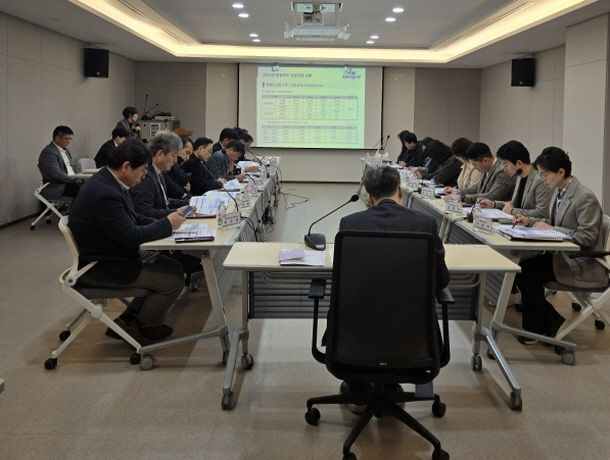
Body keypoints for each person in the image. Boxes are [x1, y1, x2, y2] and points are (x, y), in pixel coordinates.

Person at [337, 166, 450, 409]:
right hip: (412, 333)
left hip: (356, 333)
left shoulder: (350, 223)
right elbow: (441, 281)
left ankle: (357, 386)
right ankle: (391, 383)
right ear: (400, 191)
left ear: (370, 196)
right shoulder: (425, 224)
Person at [68, 140, 185, 342]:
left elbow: (134, 218)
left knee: (173, 265)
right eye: (142, 170)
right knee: (172, 280)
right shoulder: (105, 193)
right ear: (126, 167)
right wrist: (167, 224)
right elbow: (132, 237)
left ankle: (128, 320)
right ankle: (145, 327)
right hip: (102, 266)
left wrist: (166, 222)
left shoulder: (109, 182)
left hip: (112, 255)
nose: (144, 176)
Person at [513, 147, 607, 343]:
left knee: (527, 273)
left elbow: (587, 237)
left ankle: (543, 325)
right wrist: (529, 222)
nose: (542, 179)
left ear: (561, 172)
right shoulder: (561, 192)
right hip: (564, 256)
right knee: (522, 268)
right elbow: (553, 223)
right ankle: (544, 323)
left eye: (545, 174)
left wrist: (552, 229)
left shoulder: (584, 197)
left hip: (581, 263)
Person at [479, 140, 551, 218]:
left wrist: (513, 211)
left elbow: (541, 213)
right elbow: (513, 204)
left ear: (519, 163)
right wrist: (493, 204)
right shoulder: (519, 176)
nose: (503, 168)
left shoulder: (540, 180)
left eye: (505, 164)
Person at [130, 132, 188, 219]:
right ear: (160, 154)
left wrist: (188, 203)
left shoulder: (159, 172)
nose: (176, 160)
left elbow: (164, 203)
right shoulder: (145, 175)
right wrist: (176, 212)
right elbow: (144, 212)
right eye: (173, 155)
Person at [451, 142, 515, 204]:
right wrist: (457, 192)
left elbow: (493, 196)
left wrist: (464, 198)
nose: (474, 167)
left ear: (485, 160)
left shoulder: (502, 170)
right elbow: (477, 188)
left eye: (475, 165)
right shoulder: (485, 168)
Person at [37, 125, 81, 200]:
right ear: (57, 138)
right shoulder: (48, 152)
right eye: (66, 139)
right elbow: (56, 174)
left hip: (70, 183)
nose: (69, 142)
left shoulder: (66, 151)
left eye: (70, 139)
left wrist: (80, 177)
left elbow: (74, 167)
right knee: (88, 191)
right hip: (58, 187)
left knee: (92, 187)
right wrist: (74, 179)